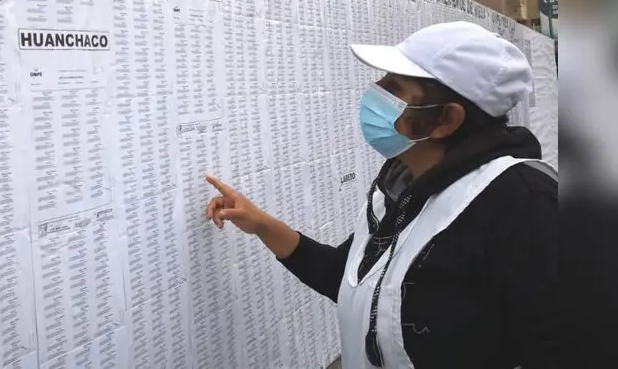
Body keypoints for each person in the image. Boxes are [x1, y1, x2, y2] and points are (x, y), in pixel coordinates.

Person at [205, 21, 558, 369]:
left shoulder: (524, 203)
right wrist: (261, 224)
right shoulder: (400, 187)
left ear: (446, 119)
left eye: (393, 87)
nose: (374, 92)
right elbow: (351, 282)